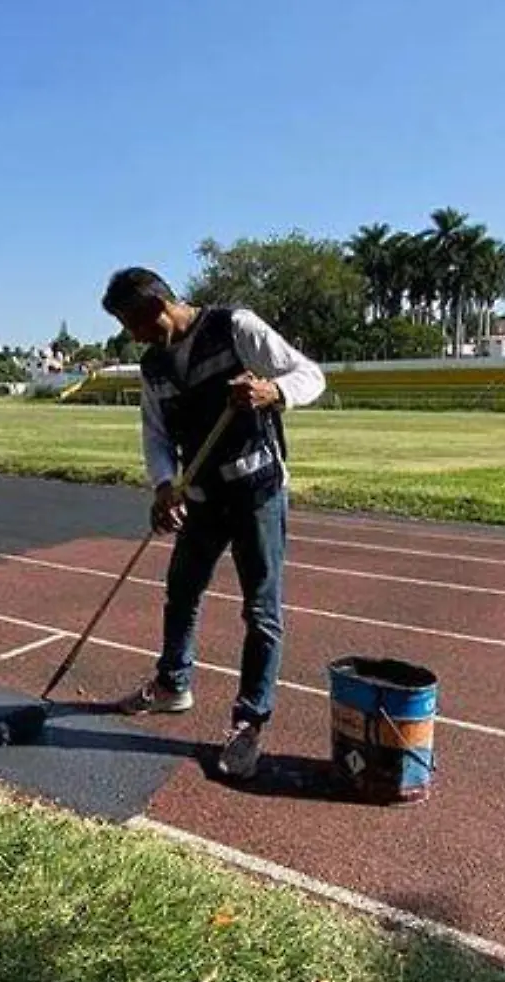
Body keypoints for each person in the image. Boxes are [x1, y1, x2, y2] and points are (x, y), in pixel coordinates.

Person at [99, 267, 326, 780]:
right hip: (202, 497)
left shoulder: (234, 327)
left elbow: (310, 374)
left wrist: (273, 391)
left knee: (261, 610)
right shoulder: (153, 367)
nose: (133, 336)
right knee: (181, 589)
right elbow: (156, 435)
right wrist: (163, 486)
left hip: (256, 492)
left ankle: (249, 722)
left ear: (160, 304)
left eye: (134, 323)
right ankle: (172, 685)